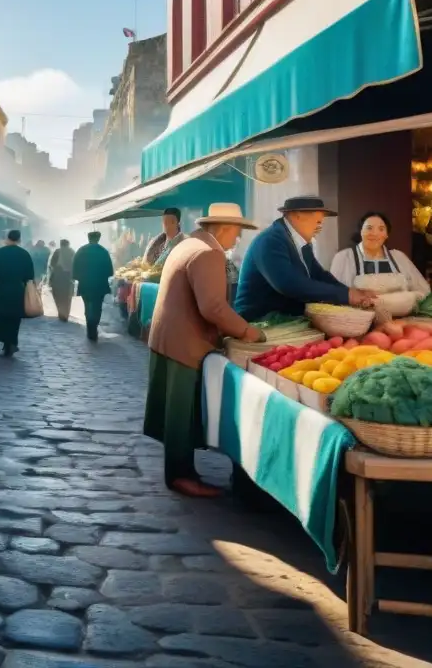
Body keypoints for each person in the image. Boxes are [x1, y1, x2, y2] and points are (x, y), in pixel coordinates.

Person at [145, 204, 265, 498]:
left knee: (177, 411)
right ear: (223, 228)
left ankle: (182, 471)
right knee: (180, 413)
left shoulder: (189, 243)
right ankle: (180, 476)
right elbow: (212, 307)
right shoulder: (208, 252)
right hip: (184, 341)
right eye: (236, 232)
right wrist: (248, 332)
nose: (236, 239)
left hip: (170, 337)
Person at [234, 195, 377, 321]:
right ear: (297, 216)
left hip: (286, 318)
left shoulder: (301, 243)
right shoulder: (271, 240)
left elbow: (318, 275)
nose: (320, 227)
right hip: (259, 321)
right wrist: (345, 295)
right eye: (317, 222)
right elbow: (289, 284)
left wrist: (350, 292)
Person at [329, 211, 430, 300]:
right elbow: (334, 293)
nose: (375, 233)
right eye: (369, 228)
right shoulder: (344, 257)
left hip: (400, 319)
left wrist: (408, 300)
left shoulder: (399, 257)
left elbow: (423, 290)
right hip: (359, 319)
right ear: (361, 232)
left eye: (381, 229)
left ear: (386, 235)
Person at [0, 230, 35, 356]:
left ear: (7, 238)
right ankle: (11, 342)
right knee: (14, 318)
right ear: (19, 239)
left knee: (1, 316)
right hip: (17, 290)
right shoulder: (24, 255)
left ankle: (5, 341)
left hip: (0, 289)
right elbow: (29, 276)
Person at [73, 230, 115, 341]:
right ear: (98, 238)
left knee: (87, 306)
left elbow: (74, 270)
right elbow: (110, 272)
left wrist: (80, 277)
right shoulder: (103, 252)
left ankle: (90, 328)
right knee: (97, 307)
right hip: (99, 285)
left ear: (88, 238)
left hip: (85, 284)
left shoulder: (81, 251)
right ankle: (94, 328)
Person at [49, 239, 76, 321]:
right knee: (67, 296)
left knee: (58, 295)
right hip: (69, 277)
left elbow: (52, 264)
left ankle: (61, 313)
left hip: (58, 276)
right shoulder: (72, 252)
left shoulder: (57, 251)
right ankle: (66, 313)